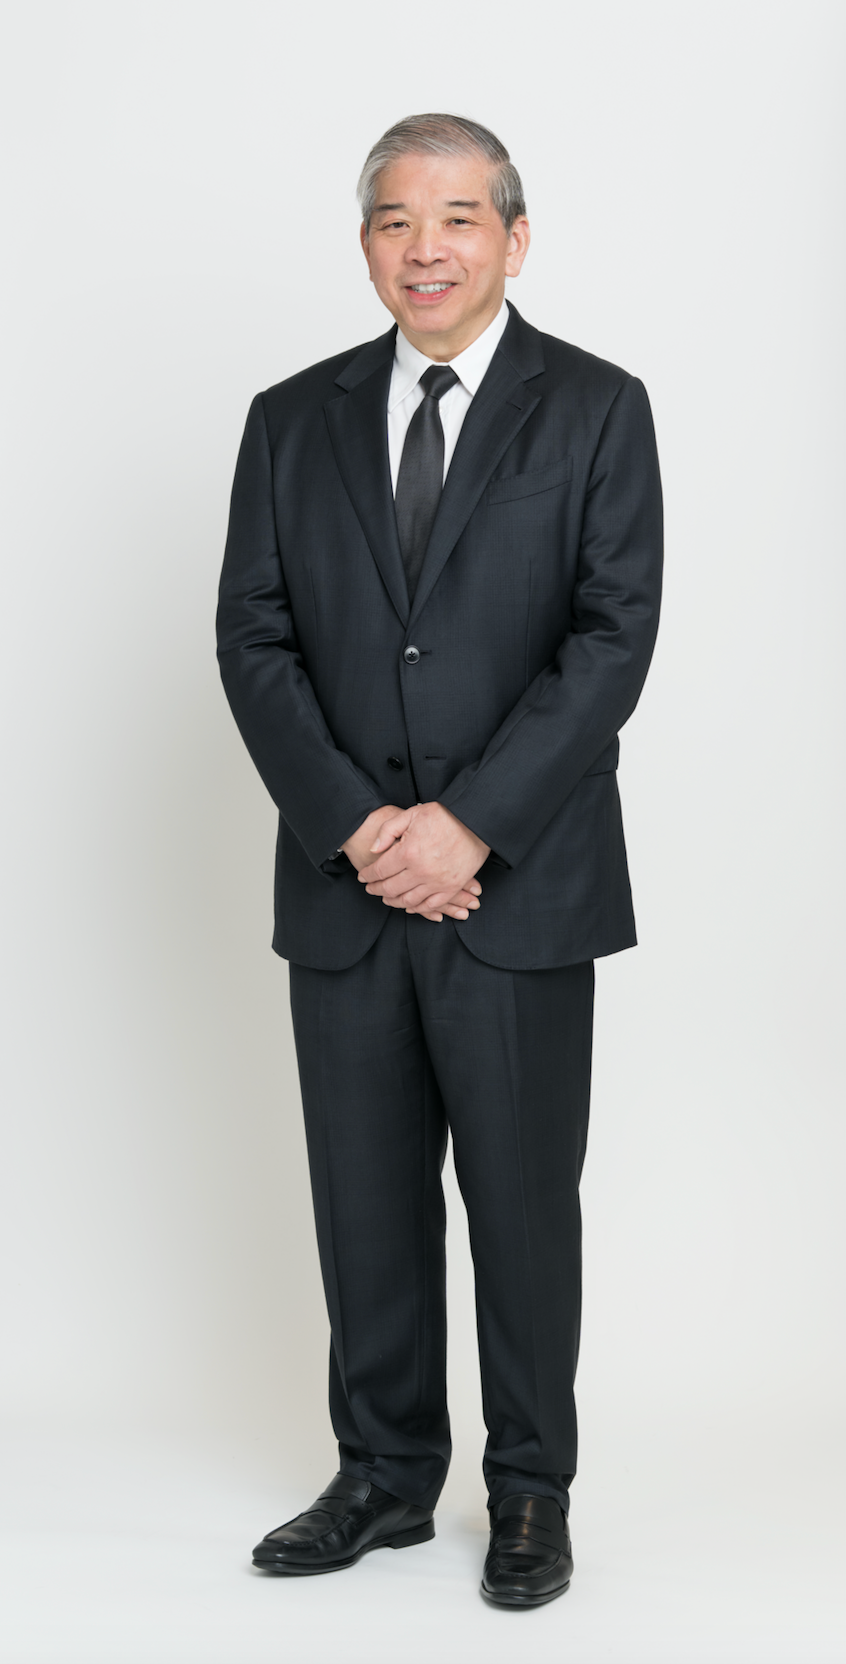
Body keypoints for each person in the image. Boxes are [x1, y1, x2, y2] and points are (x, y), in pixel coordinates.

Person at [216, 112, 662, 1608]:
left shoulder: (596, 407)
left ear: (513, 239)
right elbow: (253, 637)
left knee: (522, 1206)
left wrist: (468, 825)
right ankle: (383, 1477)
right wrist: (359, 829)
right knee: (365, 1201)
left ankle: (530, 1492)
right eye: (397, 220)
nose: (428, 248)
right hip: (343, 891)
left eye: (459, 218)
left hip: (519, 889)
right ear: (365, 246)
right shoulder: (291, 418)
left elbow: (611, 638)